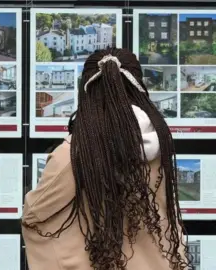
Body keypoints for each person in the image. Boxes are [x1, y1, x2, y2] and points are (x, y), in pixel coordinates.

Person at [22, 48, 191, 270]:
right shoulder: (160, 142)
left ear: (87, 91)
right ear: (140, 86)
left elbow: (35, 215)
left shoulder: (75, 153)